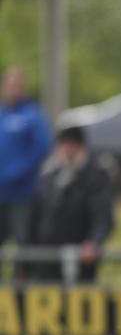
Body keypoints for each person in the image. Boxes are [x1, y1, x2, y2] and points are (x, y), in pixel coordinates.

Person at [26, 126, 113, 282]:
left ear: (81, 148)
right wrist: (29, 255)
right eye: (64, 145)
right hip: (46, 258)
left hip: (81, 258)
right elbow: (35, 216)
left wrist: (94, 242)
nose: (68, 151)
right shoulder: (47, 174)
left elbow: (102, 215)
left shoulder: (94, 176)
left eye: (73, 145)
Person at [0, 67, 52, 271]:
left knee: (24, 243)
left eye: (16, 85)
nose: (12, 89)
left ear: (23, 88)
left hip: (23, 194)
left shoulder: (33, 115)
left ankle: (21, 290)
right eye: (8, 84)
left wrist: (14, 173)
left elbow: (41, 149)